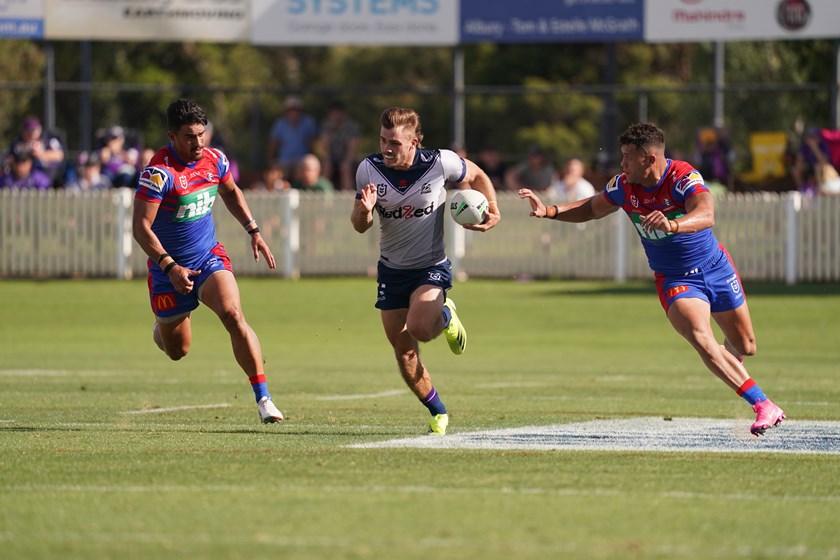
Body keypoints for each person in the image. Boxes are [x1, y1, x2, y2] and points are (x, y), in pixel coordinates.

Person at [518, 122, 785, 437]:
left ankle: (733, 367)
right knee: (700, 337)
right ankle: (762, 404)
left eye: (628, 157)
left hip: (715, 267)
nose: (622, 164)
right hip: (674, 279)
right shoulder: (623, 186)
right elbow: (591, 208)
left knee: (745, 346)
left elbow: (706, 214)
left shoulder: (683, 177)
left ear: (649, 159)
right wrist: (550, 210)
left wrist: (673, 226)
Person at [350, 106, 501, 435]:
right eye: (383, 140)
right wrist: (364, 210)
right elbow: (360, 226)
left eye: (396, 143)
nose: (387, 148)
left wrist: (493, 208)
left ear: (415, 142)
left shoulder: (439, 163)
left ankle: (444, 314)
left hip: (430, 267)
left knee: (419, 327)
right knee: (403, 352)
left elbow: (475, 174)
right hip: (391, 271)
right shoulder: (368, 170)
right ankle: (437, 410)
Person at [132, 98, 284, 424]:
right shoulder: (159, 173)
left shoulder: (215, 160)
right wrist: (170, 267)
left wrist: (253, 230)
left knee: (232, 313)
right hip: (168, 271)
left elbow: (230, 192)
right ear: (172, 136)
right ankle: (162, 327)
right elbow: (140, 228)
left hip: (207, 257)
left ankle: (264, 398)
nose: (198, 142)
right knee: (177, 350)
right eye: (189, 136)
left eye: (202, 134)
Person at [5, 115, 66, 186]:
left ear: (39, 129)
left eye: (33, 130)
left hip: (48, 174)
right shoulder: (18, 142)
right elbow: (9, 158)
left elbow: (59, 155)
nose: (30, 134)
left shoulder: (48, 139)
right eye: (28, 131)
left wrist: (40, 154)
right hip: (22, 176)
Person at [267, 96, 318, 179]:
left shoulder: (308, 123)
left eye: (296, 109)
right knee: (276, 173)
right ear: (286, 111)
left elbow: (313, 144)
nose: (294, 112)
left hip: (302, 160)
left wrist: (313, 159)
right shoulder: (280, 124)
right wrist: (271, 161)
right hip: (284, 161)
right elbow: (273, 144)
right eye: (291, 109)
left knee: (305, 169)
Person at [319, 100, 360, 191]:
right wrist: (327, 159)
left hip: (346, 157)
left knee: (345, 168)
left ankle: (346, 196)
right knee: (326, 167)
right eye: (334, 112)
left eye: (338, 112)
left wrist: (347, 161)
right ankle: (323, 194)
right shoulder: (326, 125)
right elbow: (324, 147)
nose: (336, 115)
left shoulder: (351, 126)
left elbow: (352, 148)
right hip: (331, 157)